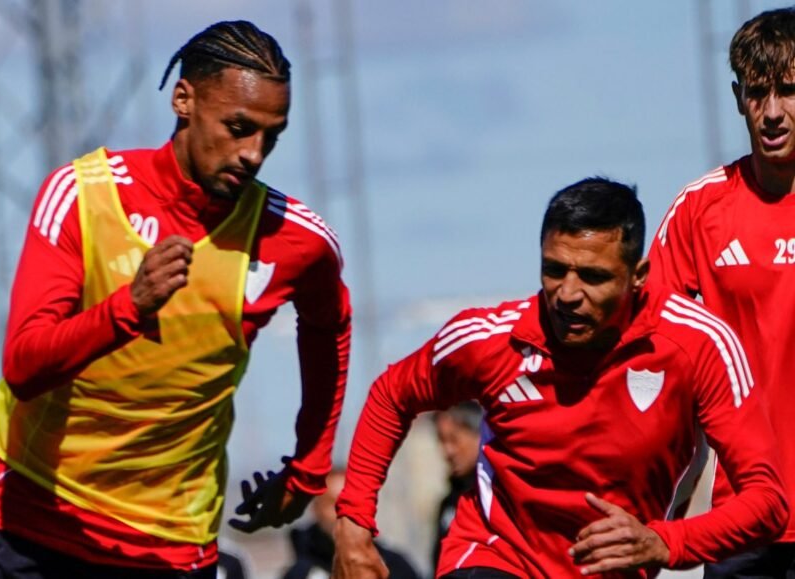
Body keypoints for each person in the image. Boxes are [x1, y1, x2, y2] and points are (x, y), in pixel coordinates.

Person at [0, 20, 351, 578]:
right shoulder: (83, 195)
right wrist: (128, 309)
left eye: (272, 137)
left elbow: (330, 326)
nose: (253, 153)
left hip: (167, 544)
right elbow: (24, 365)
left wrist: (308, 469)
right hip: (38, 524)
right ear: (183, 99)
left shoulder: (297, 240)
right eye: (238, 128)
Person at [331, 178, 788, 578]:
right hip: (496, 556)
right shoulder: (490, 341)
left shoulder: (698, 347)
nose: (567, 294)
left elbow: (768, 500)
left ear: (638, 277)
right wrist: (353, 526)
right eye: (554, 270)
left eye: (593, 276)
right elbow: (392, 395)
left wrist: (666, 542)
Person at [648, 8, 795, 578]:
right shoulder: (698, 211)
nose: (773, 112)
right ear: (738, 99)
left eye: (789, 91)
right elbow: (645, 354)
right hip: (744, 518)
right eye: (758, 93)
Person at [282, 467, 419, 579]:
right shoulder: (298, 572)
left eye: (352, 504)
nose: (343, 514)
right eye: (333, 504)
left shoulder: (396, 568)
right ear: (316, 509)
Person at [431, 402, 481, 571]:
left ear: (478, 435)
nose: (448, 451)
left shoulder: (494, 497)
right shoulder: (448, 503)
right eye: (441, 440)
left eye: (454, 439)